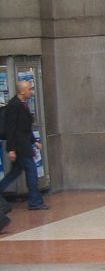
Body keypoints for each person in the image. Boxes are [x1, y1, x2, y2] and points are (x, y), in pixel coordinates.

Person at [0, 80, 48, 210]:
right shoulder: (14, 105)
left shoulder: (22, 104)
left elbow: (25, 127)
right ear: (22, 91)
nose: (31, 91)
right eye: (29, 89)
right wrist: (11, 149)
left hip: (24, 144)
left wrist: (34, 141)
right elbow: (11, 129)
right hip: (20, 147)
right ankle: (35, 202)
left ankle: (34, 201)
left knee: (14, 173)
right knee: (31, 172)